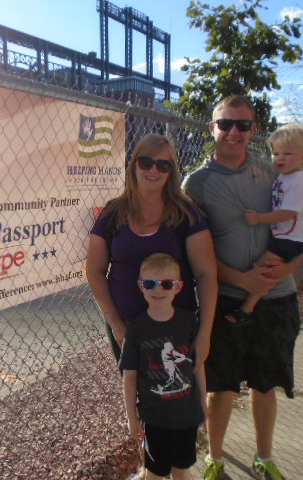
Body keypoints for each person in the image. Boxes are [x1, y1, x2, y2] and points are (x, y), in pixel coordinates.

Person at [183, 95, 303, 480]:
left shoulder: (275, 174)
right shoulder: (196, 184)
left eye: (243, 124)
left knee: (265, 385)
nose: (234, 132)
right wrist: (242, 280)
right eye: (225, 124)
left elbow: (301, 226)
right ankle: (214, 458)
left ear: (254, 130)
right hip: (226, 301)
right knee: (221, 387)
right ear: (212, 127)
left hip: (277, 297)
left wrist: (286, 268)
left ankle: (264, 457)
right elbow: (195, 253)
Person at [86, 133, 217, 369]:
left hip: (175, 330)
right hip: (127, 329)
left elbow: (206, 274)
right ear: (134, 165)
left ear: (171, 172)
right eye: (146, 162)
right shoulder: (112, 213)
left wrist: (204, 333)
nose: (153, 170)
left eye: (163, 165)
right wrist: (116, 324)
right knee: (133, 389)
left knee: (176, 389)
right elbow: (94, 270)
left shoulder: (186, 215)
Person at [120, 253, 206, 480]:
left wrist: (203, 405)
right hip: (155, 419)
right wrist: (131, 418)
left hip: (187, 416)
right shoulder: (136, 329)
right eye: (150, 284)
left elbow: (198, 367)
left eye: (167, 284)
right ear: (141, 286)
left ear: (178, 287)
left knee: (182, 470)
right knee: (155, 473)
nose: (158, 290)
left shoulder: (189, 321)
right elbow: (129, 377)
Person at [225, 124, 303, 324]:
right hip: (285, 236)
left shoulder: (298, 183)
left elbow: (287, 213)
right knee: (266, 269)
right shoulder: (284, 177)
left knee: (263, 269)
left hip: (291, 239)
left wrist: (259, 218)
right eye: (276, 154)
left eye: (288, 153)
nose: (280, 158)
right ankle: (248, 307)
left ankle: (246, 309)